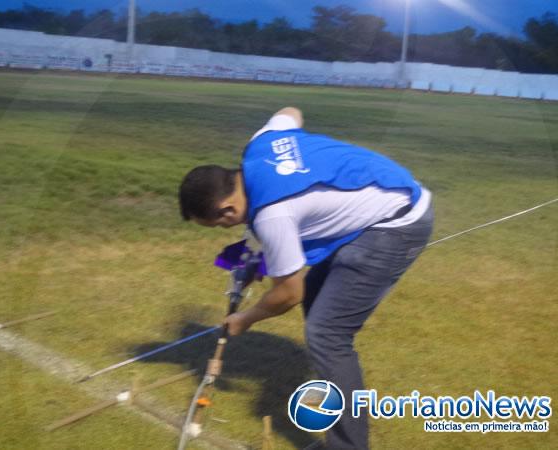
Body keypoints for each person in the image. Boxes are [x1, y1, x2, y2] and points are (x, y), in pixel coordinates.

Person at [178, 107, 434, 449]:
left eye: (221, 225)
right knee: (318, 300)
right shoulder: (261, 144)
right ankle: (337, 395)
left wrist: (246, 319)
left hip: (396, 224)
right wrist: (256, 260)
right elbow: (290, 112)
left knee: (326, 333)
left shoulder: (273, 215)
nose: (228, 229)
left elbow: (287, 294)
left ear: (227, 209)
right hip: (387, 195)